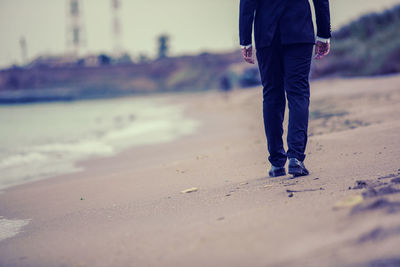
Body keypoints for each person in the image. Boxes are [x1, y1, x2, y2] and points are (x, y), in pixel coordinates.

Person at [239, 0, 331, 177]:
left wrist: (245, 40)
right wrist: (323, 34)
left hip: (267, 33)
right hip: (299, 30)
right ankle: (296, 158)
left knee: (272, 94)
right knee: (298, 93)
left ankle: (276, 162)